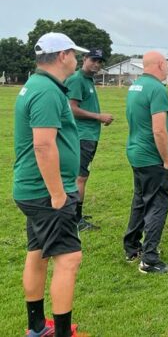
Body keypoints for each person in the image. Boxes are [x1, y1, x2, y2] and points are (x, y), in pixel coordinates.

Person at [13, 32, 87, 337]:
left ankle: (37, 327)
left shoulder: (39, 84)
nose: (77, 59)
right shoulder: (46, 91)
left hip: (34, 189)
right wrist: (58, 194)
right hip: (46, 192)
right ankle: (60, 334)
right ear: (62, 56)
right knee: (68, 258)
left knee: (38, 251)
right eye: (74, 54)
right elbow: (44, 146)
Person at [123, 51, 168, 274]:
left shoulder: (135, 86)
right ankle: (150, 258)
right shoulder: (157, 89)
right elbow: (159, 129)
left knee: (140, 200)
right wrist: (166, 160)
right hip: (152, 157)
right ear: (161, 64)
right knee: (158, 204)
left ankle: (132, 247)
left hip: (136, 152)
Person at [65, 48, 114, 231]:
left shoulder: (88, 80)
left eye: (100, 61)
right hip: (81, 136)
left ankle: (75, 214)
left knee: (81, 176)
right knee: (80, 177)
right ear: (84, 59)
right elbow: (72, 108)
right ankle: (75, 220)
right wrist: (98, 117)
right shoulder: (77, 80)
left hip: (88, 135)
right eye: (93, 60)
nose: (97, 64)